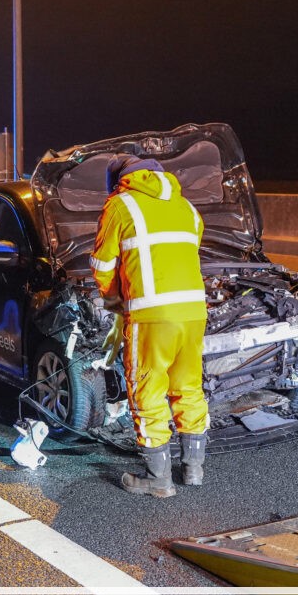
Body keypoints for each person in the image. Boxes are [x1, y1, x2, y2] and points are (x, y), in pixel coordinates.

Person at [91, 153, 209, 498]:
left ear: (120, 179)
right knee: (188, 387)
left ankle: (158, 479)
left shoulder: (119, 205)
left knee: (147, 390)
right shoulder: (187, 207)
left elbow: (101, 265)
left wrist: (115, 303)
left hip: (151, 314)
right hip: (193, 312)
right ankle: (193, 469)